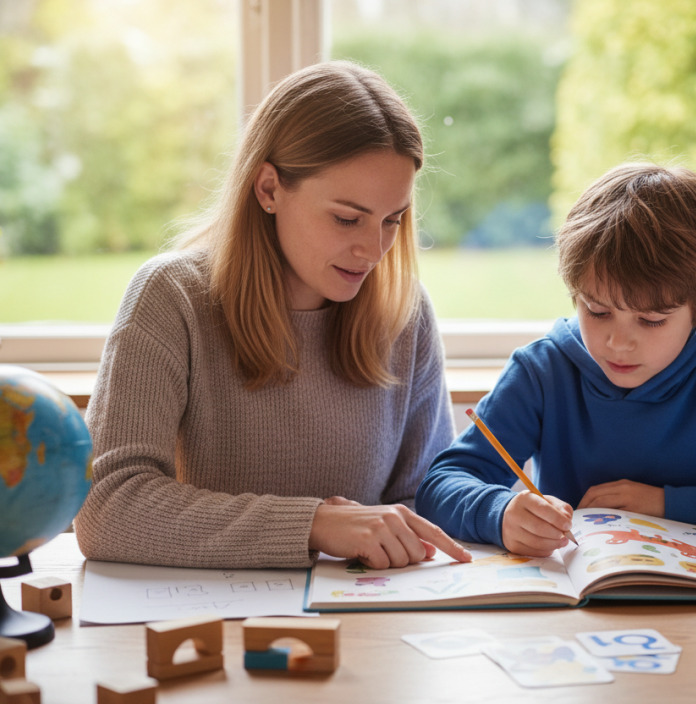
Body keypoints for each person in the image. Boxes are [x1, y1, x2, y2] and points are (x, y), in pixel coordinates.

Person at [75, 61, 471, 570]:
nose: (373, 250)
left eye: (392, 220)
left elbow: (424, 501)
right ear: (268, 190)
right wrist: (313, 525)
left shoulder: (404, 312)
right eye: (347, 218)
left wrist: (494, 509)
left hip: (363, 627)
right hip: (206, 628)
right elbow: (107, 508)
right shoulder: (171, 297)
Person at [416, 163, 696, 557]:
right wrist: (500, 513)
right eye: (597, 311)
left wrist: (671, 505)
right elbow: (442, 485)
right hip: (577, 604)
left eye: (650, 320)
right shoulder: (543, 371)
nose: (617, 343)